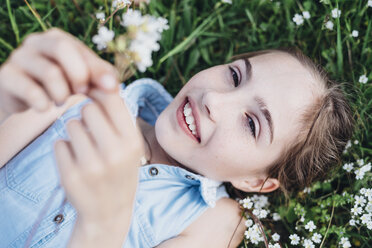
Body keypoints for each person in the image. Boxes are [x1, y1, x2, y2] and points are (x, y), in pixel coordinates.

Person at [0, 28, 354, 248]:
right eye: (234, 75)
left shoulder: (215, 223)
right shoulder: (80, 98)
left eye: (251, 124)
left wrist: (105, 225)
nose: (214, 100)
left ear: (256, 181)